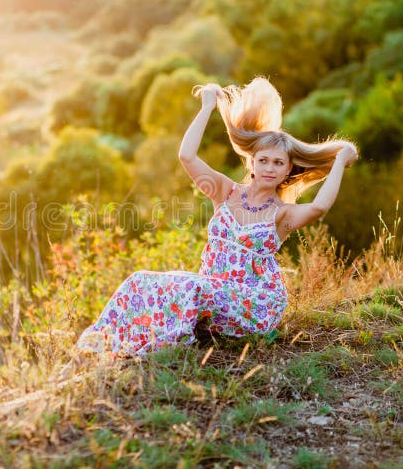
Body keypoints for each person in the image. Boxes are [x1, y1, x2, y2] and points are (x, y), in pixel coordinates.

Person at [75, 77, 358, 357]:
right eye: (264, 161)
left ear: (287, 170)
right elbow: (187, 156)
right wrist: (207, 107)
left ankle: (158, 350)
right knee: (139, 280)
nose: (270, 168)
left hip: (255, 302)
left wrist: (339, 160)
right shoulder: (224, 191)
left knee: (192, 286)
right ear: (252, 163)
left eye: (278, 163)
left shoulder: (281, 214)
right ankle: (98, 347)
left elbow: (319, 206)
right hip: (212, 292)